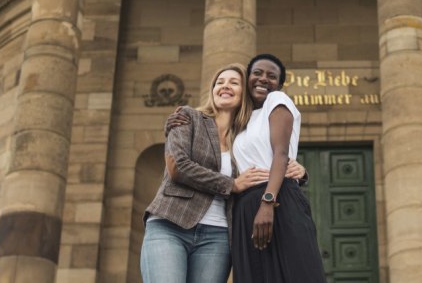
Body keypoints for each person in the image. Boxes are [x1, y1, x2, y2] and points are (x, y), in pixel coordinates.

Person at [140, 63, 306, 283]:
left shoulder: (246, 137)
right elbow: (177, 167)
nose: (225, 86)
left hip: (218, 236)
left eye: (234, 82)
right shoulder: (188, 118)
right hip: (171, 224)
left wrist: (300, 172)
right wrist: (232, 184)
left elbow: (272, 163)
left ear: (244, 93)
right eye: (220, 82)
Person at [228, 54, 327, 282]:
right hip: (245, 209)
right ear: (247, 78)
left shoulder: (277, 100)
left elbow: (280, 154)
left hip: (277, 200)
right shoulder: (239, 120)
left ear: (279, 84)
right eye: (257, 73)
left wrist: (267, 203)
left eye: (271, 76)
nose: (263, 79)